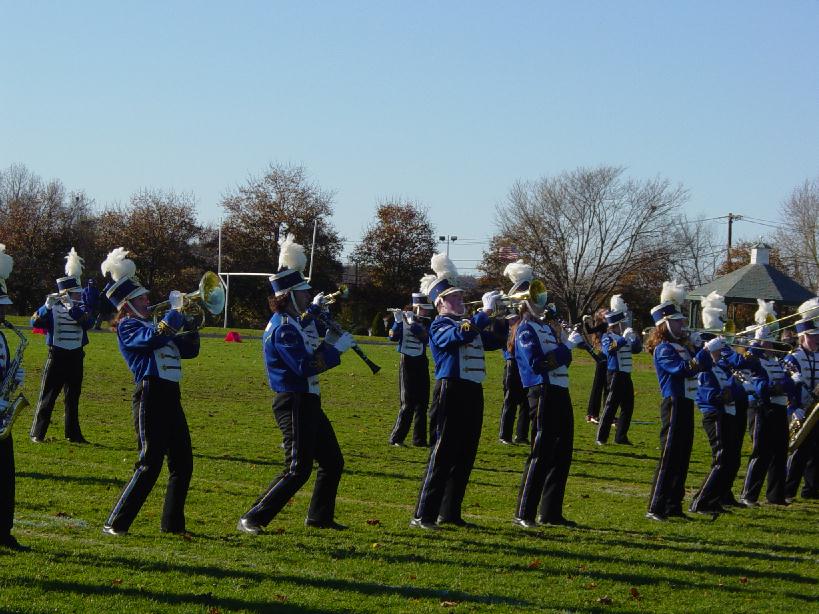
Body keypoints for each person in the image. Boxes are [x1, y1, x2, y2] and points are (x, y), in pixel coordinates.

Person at [238, 235, 354, 534]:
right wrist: (336, 350)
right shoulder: (284, 329)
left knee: (332, 461)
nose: (308, 295)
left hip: (308, 398)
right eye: (303, 291)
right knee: (297, 468)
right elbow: (303, 367)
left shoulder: (294, 323)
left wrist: (327, 340)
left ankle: (319, 517)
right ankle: (253, 517)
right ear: (289, 295)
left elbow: (310, 354)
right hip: (294, 400)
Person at [100, 247, 199, 536]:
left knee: (183, 463)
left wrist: (190, 323)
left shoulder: (157, 324)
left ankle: (173, 525)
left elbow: (189, 350)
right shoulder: (128, 327)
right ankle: (116, 523)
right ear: (127, 304)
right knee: (149, 463)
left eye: (145, 296)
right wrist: (174, 315)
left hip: (171, 394)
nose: (147, 300)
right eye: (141, 297)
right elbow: (154, 339)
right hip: (150, 394)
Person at [411, 253, 503, 529]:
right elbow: (460, 335)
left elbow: (494, 341)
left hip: (472, 391)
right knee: (442, 453)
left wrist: (504, 316)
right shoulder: (440, 324)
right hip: (450, 391)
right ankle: (423, 514)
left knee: (465, 454)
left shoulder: (468, 324)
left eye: (461, 295)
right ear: (440, 303)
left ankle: (450, 512)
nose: (461, 298)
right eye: (454, 296)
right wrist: (484, 313)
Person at [511, 278, 585, 528]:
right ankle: (524, 512)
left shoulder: (546, 328)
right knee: (541, 453)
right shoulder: (525, 330)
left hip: (560, 390)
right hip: (542, 391)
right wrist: (566, 347)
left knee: (562, 452)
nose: (541, 303)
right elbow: (539, 363)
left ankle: (550, 512)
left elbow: (564, 361)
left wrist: (566, 341)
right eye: (535, 299)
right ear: (524, 303)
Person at [645, 280, 712, 521]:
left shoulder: (680, 345)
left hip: (686, 402)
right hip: (673, 403)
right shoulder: (664, 349)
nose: (682, 323)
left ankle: (674, 505)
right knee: (669, 456)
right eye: (676, 321)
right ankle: (655, 506)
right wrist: (702, 353)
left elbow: (703, 366)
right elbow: (684, 370)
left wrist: (702, 347)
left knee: (683, 455)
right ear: (664, 324)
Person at [29, 248, 97, 444]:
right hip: (57, 356)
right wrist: (47, 306)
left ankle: (73, 434)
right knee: (47, 397)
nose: (79, 296)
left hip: (76, 357)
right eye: (76, 294)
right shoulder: (51, 309)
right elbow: (34, 322)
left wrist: (71, 307)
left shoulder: (81, 309)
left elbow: (87, 323)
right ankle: (37, 433)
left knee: (73, 398)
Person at [740, 325, 795, 507]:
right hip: (760, 408)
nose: (771, 345)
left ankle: (776, 495)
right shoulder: (754, 359)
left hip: (779, 407)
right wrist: (777, 386)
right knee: (761, 451)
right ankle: (749, 495)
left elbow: (788, 384)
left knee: (780, 451)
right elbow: (760, 387)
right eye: (767, 341)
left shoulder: (776, 360)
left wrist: (786, 383)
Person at [0, 245, 29, 551]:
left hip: (2, 414)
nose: (4, 313)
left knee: (6, 477)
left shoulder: (2, 336)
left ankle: (3, 532)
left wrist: (12, 376)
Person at [689, 336, 736, 515]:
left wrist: (733, 389)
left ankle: (713, 500)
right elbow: (711, 397)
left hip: (725, 414)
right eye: (719, 350)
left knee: (728, 459)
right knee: (721, 458)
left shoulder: (719, 369)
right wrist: (728, 393)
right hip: (714, 415)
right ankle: (700, 502)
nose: (722, 353)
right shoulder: (706, 371)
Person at [782, 303, 819, 501]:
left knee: (816, 451)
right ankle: (788, 490)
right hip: (799, 410)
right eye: (813, 336)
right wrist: (794, 407)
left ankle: (811, 489)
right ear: (803, 336)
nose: (817, 339)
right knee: (798, 450)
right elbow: (788, 386)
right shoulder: (793, 358)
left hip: (815, 410)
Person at [387, 291, 433, 447]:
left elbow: (426, 338)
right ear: (416, 307)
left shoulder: (426, 323)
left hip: (421, 361)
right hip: (406, 361)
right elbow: (393, 337)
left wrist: (413, 323)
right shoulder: (403, 320)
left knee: (422, 402)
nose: (426, 312)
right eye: (424, 309)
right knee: (407, 402)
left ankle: (419, 440)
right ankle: (396, 438)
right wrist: (398, 321)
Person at [595, 295, 641, 446]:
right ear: (615, 324)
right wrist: (623, 339)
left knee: (628, 406)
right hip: (614, 375)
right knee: (611, 406)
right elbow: (609, 350)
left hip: (626, 375)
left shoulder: (624, 336)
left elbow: (636, 350)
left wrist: (635, 339)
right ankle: (601, 437)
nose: (624, 324)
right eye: (622, 323)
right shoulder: (608, 336)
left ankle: (621, 436)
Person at [498, 260, 533, 445]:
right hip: (512, 360)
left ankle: (522, 435)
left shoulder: (533, 316)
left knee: (527, 399)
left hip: (527, 360)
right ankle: (505, 435)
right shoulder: (509, 316)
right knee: (511, 399)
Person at [583, 309, 609, 424]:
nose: (608, 313)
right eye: (604, 312)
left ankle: (607, 414)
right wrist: (585, 322)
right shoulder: (603, 325)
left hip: (609, 358)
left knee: (607, 387)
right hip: (602, 358)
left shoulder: (610, 325)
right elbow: (589, 331)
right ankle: (591, 414)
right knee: (598, 386)